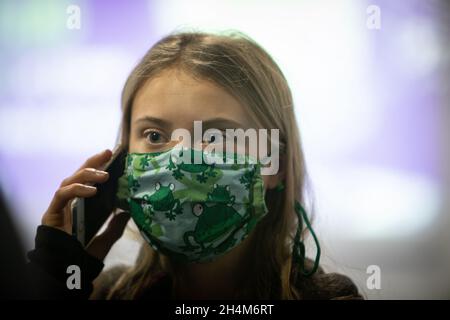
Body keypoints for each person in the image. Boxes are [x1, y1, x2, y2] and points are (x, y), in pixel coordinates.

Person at [28, 31, 362, 300]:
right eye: (155, 135)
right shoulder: (105, 294)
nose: (181, 156)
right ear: (122, 164)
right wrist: (55, 279)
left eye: (215, 136)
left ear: (275, 165)